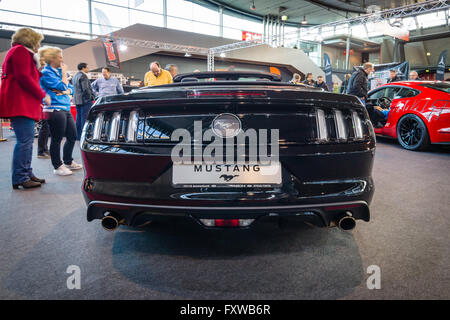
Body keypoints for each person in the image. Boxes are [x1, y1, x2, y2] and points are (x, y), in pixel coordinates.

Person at [0, 28, 49, 189]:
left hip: (22, 103)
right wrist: (42, 94)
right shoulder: (20, 51)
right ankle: (21, 176)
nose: (38, 45)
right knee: (25, 141)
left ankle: (26, 173)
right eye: (38, 41)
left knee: (26, 141)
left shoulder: (18, 52)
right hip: (21, 103)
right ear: (31, 40)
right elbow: (24, 77)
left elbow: (26, 75)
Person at [39, 46, 82, 176]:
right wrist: (64, 75)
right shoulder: (46, 72)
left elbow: (71, 89)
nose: (62, 59)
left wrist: (64, 90)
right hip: (54, 109)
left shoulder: (57, 71)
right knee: (57, 139)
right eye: (60, 57)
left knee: (72, 136)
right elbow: (63, 85)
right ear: (52, 58)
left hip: (65, 107)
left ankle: (68, 161)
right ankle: (57, 166)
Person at [72, 62, 95, 140]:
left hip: (77, 100)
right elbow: (85, 89)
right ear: (83, 68)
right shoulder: (83, 76)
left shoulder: (75, 76)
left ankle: (78, 135)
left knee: (78, 118)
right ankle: (83, 136)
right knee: (84, 118)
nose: (88, 69)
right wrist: (90, 98)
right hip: (85, 101)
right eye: (87, 67)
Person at [37, 55, 51, 158]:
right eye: (41, 64)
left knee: (46, 128)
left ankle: (44, 149)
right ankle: (41, 150)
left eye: (44, 64)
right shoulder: (38, 75)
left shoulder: (42, 75)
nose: (43, 66)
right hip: (41, 103)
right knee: (44, 127)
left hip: (44, 103)